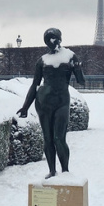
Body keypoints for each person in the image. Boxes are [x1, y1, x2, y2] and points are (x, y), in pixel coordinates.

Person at [16, 28, 85, 178]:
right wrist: (25, 106)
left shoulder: (70, 56)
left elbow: (81, 82)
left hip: (62, 102)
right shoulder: (42, 60)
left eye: (54, 38)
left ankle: (65, 171)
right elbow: (35, 85)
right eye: (48, 40)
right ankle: (52, 170)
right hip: (43, 103)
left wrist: (78, 68)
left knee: (59, 138)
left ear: (60, 39)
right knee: (47, 139)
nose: (51, 42)